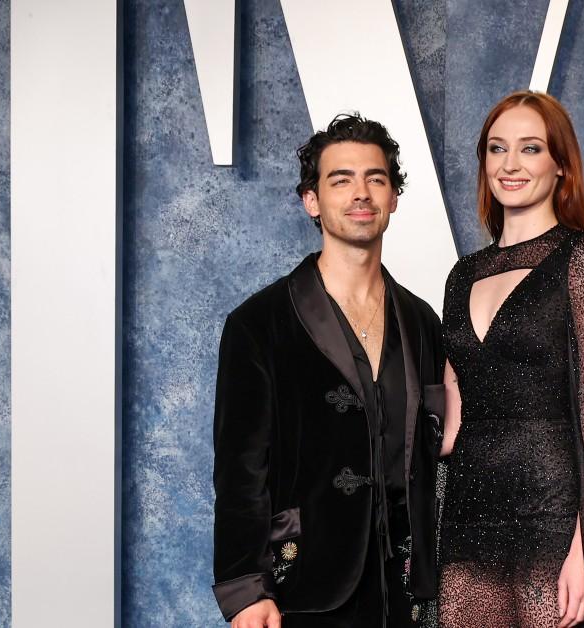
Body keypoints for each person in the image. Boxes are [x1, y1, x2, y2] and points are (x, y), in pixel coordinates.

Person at [212, 113, 447, 628]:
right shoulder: (258, 324)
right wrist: (245, 589)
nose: (360, 193)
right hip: (301, 586)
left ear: (393, 200)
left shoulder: (423, 321)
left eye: (376, 179)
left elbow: (435, 451)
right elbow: (239, 471)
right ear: (312, 201)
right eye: (341, 179)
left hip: (404, 591)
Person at [436, 91, 584, 628]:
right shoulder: (463, 275)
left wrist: (583, 550)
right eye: (497, 149)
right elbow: (453, 411)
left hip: (551, 515)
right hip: (469, 514)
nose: (510, 164)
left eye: (530, 148)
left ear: (560, 166)